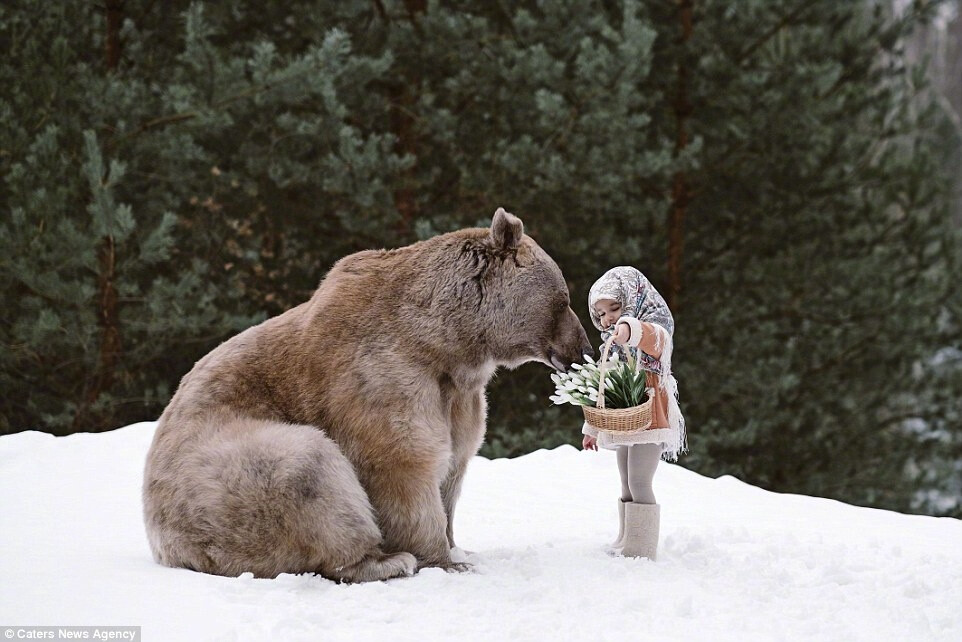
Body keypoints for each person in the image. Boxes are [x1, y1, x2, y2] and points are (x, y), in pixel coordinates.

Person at [582, 266, 685, 560]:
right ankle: (626, 537)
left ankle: (641, 547)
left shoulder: (656, 325)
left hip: (650, 413)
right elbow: (606, 387)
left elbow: (655, 339)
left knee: (640, 481)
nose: (607, 318)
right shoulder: (612, 347)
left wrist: (630, 329)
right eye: (600, 314)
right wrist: (592, 428)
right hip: (627, 417)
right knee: (626, 480)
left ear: (632, 299)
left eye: (614, 308)